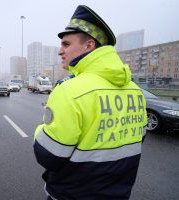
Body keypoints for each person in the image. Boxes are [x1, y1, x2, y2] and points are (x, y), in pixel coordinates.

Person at [33, 5, 148, 200]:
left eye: (66, 44)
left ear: (89, 45)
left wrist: (40, 129)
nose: (60, 51)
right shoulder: (135, 91)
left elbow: (49, 155)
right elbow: (137, 138)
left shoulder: (70, 90)